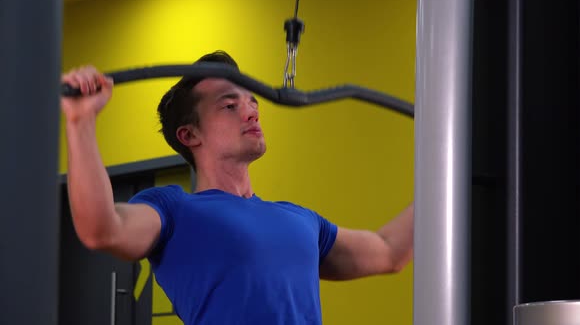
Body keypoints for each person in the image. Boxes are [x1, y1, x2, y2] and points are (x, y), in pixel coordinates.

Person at [61, 50, 414, 325]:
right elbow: (102, 229)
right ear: (190, 134)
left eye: (253, 102)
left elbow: (389, 251)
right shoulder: (173, 209)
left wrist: (448, 164)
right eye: (230, 105)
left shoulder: (302, 220)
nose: (251, 112)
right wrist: (81, 121)